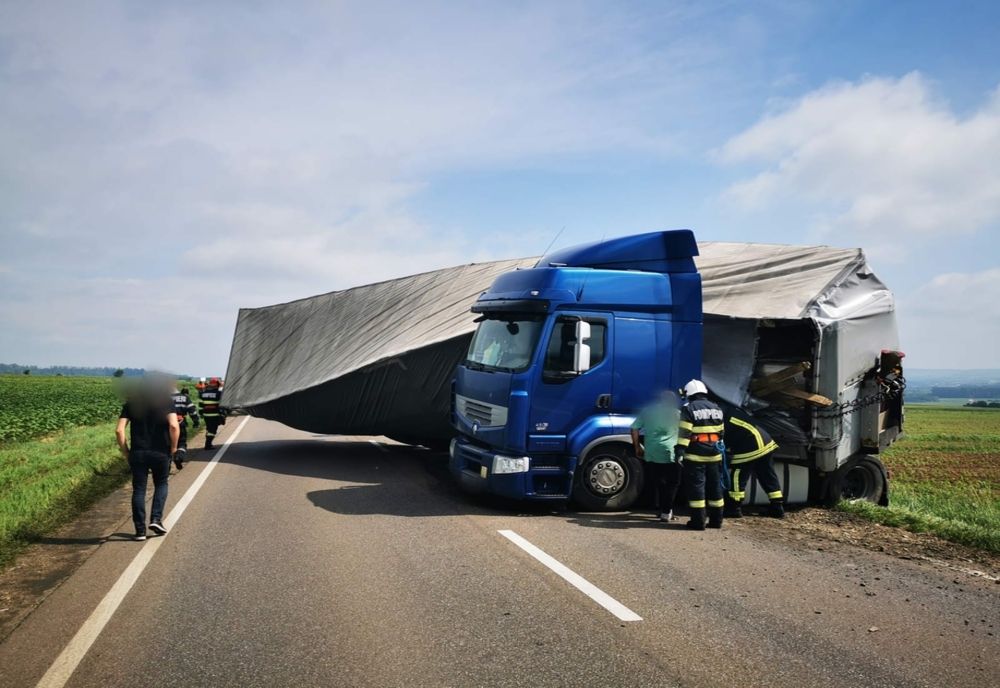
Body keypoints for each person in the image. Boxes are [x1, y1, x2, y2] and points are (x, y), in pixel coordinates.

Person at [116, 378, 179, 540]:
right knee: (161, 484)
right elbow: (173, 425)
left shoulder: (131, 404)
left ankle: (140, 531)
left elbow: (119, 431)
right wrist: (173, 447)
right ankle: (156, 519)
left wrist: (126, 452)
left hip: (138, 452)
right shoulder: (165, 402)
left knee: (139, 489)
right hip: (160, 452)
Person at [676, 379, 726, 530]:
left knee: (697, 488)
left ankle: (698, 522)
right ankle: (716, 521)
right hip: (715, 453)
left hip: (696, 454)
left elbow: (684, 432)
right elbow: (722, 432)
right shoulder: (717, 408)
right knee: (715, 487)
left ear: (689, 393)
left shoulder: (689, 409)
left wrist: (679, 451)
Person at [723, 406, 785, 518]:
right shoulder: (729, 410)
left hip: (750, 442)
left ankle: (734, 508)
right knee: (767, 475)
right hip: (765, 440)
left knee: (738, 475)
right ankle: (777, 507)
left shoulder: (721, 415)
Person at [630, 389, 682, 522]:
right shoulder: (677, 414)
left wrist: (637, 447)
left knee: (659, 481)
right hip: (671, 452)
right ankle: (667, 511)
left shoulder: (648, 411)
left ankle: (662, 509)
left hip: (652, 452)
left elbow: (634, 428)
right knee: (673, 483)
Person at [170, 386, 200, 470]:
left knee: (167, 445)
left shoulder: (162, 398)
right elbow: (192, 411)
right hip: (180, 424)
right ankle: (178, 456)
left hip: (165, 425)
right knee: (182, 443)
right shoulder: (184, 398)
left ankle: (167, 465)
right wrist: (196, 422)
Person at [198, 377, 224, 450]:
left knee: (209, 429)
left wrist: (201, 414)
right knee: (212, 430)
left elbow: (200, 405)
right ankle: (208, 445)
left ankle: (208, 443)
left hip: (206, 415)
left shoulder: (202, 393)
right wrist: (222, 414)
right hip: (215, 415)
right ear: (217, 385)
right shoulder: (219, 394)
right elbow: (221, 405)